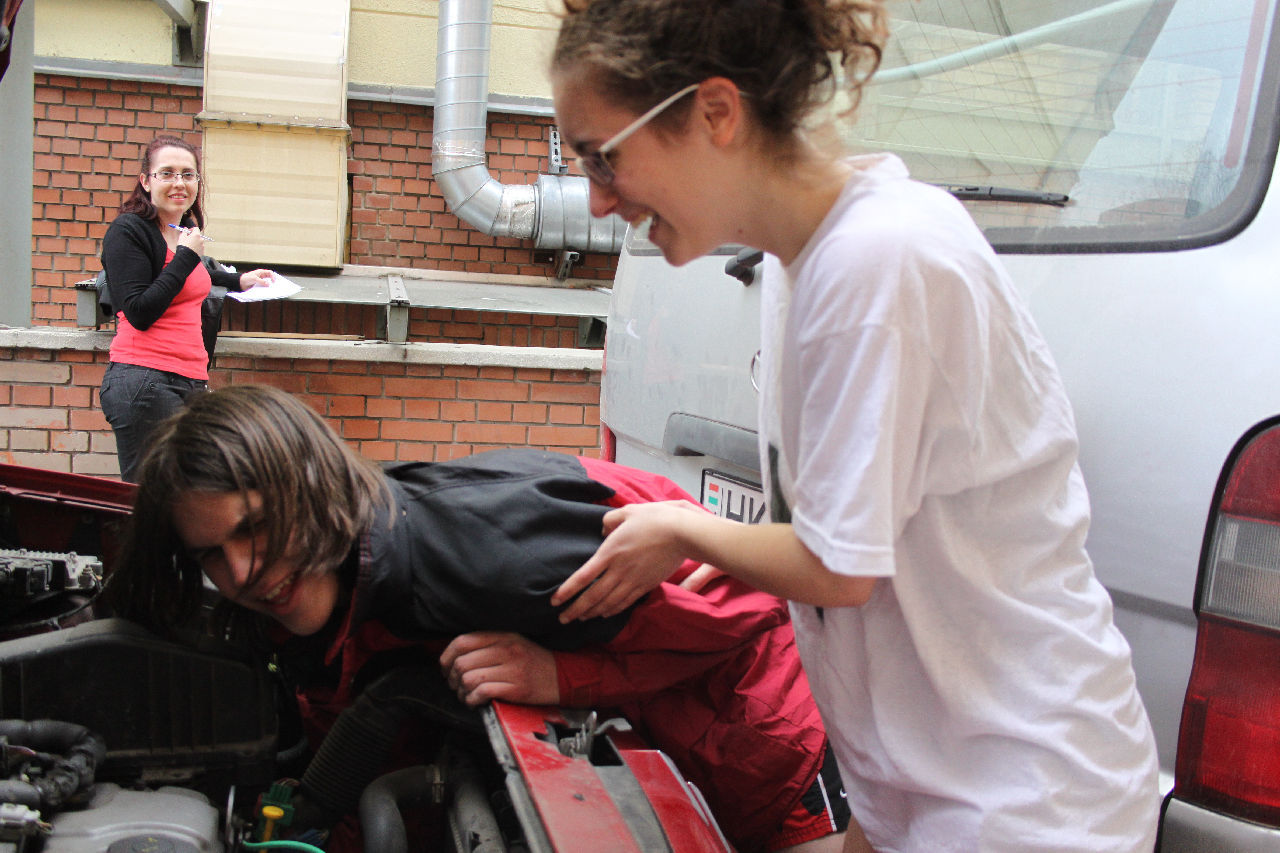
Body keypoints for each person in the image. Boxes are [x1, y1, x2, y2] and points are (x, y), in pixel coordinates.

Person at [546, 1, 1161, 851]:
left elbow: (838, 567)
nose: (595, 200)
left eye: (603, 157)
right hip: (936, 785)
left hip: (1028, 802)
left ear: (715, 112)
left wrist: (680, 527)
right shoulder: (805, 262)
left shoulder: (877, 262)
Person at [105, 384, 855, 853]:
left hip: (763, 747)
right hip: (660, 749)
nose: (241, 571)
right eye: (211, 555)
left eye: (255, 527)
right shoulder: (326, 593)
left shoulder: (491, 558)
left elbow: (751, 600)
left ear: (307, 487)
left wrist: (559, 675)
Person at [97, 135, 273, 482]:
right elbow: (139, 312)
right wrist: (186, 255)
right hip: (146, 379)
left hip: (190, 379)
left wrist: (238, 280)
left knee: (198, 491)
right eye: (167, 173)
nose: (179, 183)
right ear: (146, 181)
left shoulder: (183, 230)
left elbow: (193, 275)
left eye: (188, 174)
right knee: (156, 497)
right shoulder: (127, 231)